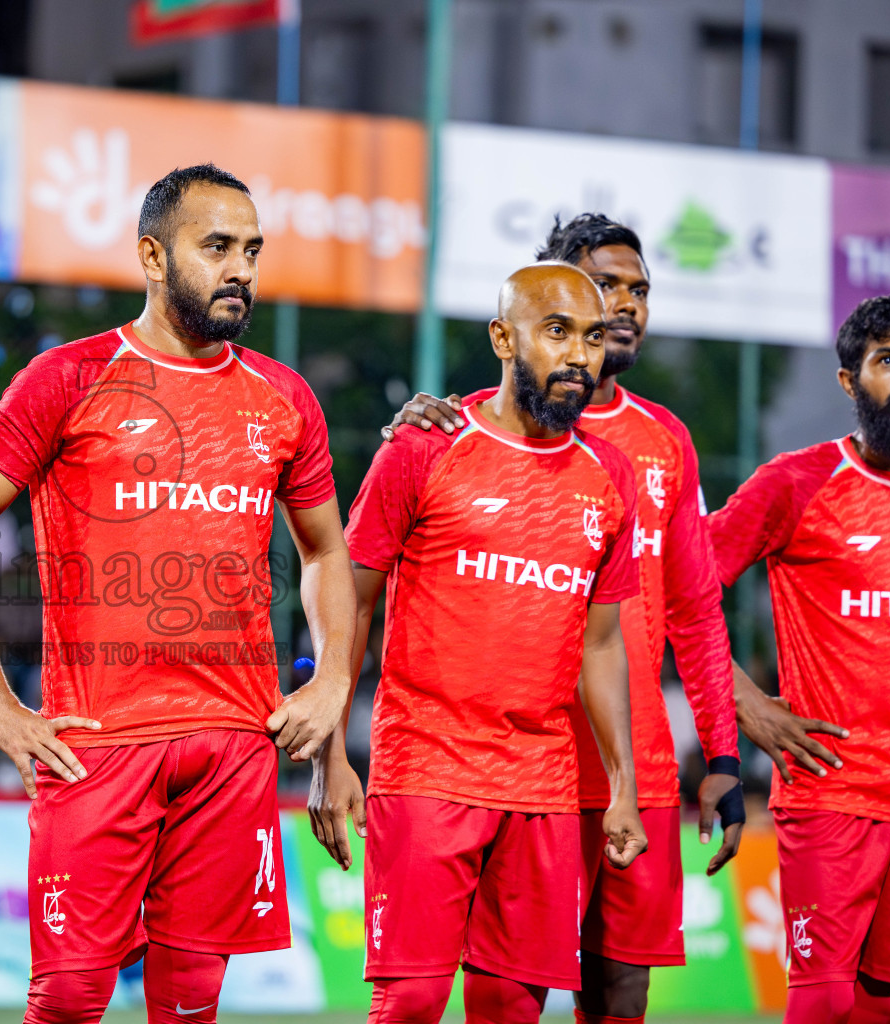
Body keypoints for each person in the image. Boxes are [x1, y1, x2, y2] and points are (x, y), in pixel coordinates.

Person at [0, 163, 355, 1024]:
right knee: (70, 998)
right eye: (217, 247)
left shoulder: (284, 398)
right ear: (152, 257)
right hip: (98, 741)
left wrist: (333, 686)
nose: (240, 268)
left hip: (235, 744)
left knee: (193, 1001)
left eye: (252, 250)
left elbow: (324, 553)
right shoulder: (69, 378)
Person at [374, 214, 748, 1023]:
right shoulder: (451, 430)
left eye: (637, 291)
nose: (621, 309)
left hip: (630, 766)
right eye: (602, 289)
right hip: (509, 767)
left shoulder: (662, 445)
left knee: (619, 990)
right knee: (461, 990)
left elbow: (695, 608)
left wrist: (721, 749)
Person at [315, 262, 648, 1024]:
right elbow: (348, 605)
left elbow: (601, 647)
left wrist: (622, 780)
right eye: (556, 331)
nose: (578, 356)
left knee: (511, 1006)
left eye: (592, 338)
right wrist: (330, 756)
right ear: (504, 336)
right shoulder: (426, 447)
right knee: (413, 1000)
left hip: (545, 788)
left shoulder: (610, 475)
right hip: (426, 767)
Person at [710, 294, 890, 1024]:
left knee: (886, 1009)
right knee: (822, 1004)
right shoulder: (796, 482)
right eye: (889, 361)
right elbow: (674, 591)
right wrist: (745, 703)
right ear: (850, 382)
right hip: (834, 794)